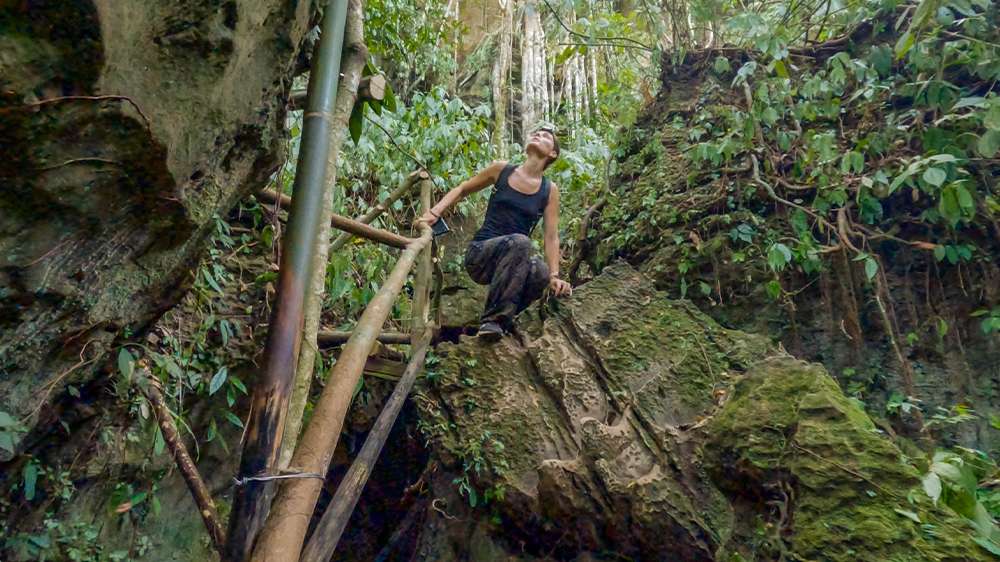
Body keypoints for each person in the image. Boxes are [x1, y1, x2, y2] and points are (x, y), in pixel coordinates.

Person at [418, 127, 573, 340]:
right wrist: (435, 212)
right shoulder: (502, 170)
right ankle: (492, 322)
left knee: (540, 272)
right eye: (536, 132)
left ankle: (511, 322)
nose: (538, 135)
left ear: (553, 154)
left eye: (546, 136)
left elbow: (551, 236)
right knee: (521, 243)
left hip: (513, 263)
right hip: (481, 254)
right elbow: (463, 189)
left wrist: (555, 276)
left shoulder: (549, 190)